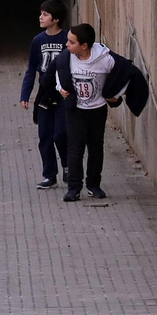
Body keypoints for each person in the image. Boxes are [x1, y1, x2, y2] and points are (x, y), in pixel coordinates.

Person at [52, 23, 117, 202]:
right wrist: (60, 88)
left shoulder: (105, 59)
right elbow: (59, 71)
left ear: (84, 45)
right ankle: (74, 188)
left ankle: (94, 185)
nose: (67, 45)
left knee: (96, 148)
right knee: (75, 148)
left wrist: (114, 95)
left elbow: (120, 74)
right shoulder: (67, 58)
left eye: (71, 42)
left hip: (97, 110)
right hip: (76, 111)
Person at [19, 0, 70, 190]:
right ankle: (50, 175)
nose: (41, 17)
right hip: (44, 94)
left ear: (56, 19)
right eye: (41, 13)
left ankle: (67, 166)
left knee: (61, 134)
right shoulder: (38, 40)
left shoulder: (67, 39)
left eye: (45, 14)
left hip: (63, 93)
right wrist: (25, 94)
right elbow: (32, 69)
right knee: (45, 136)